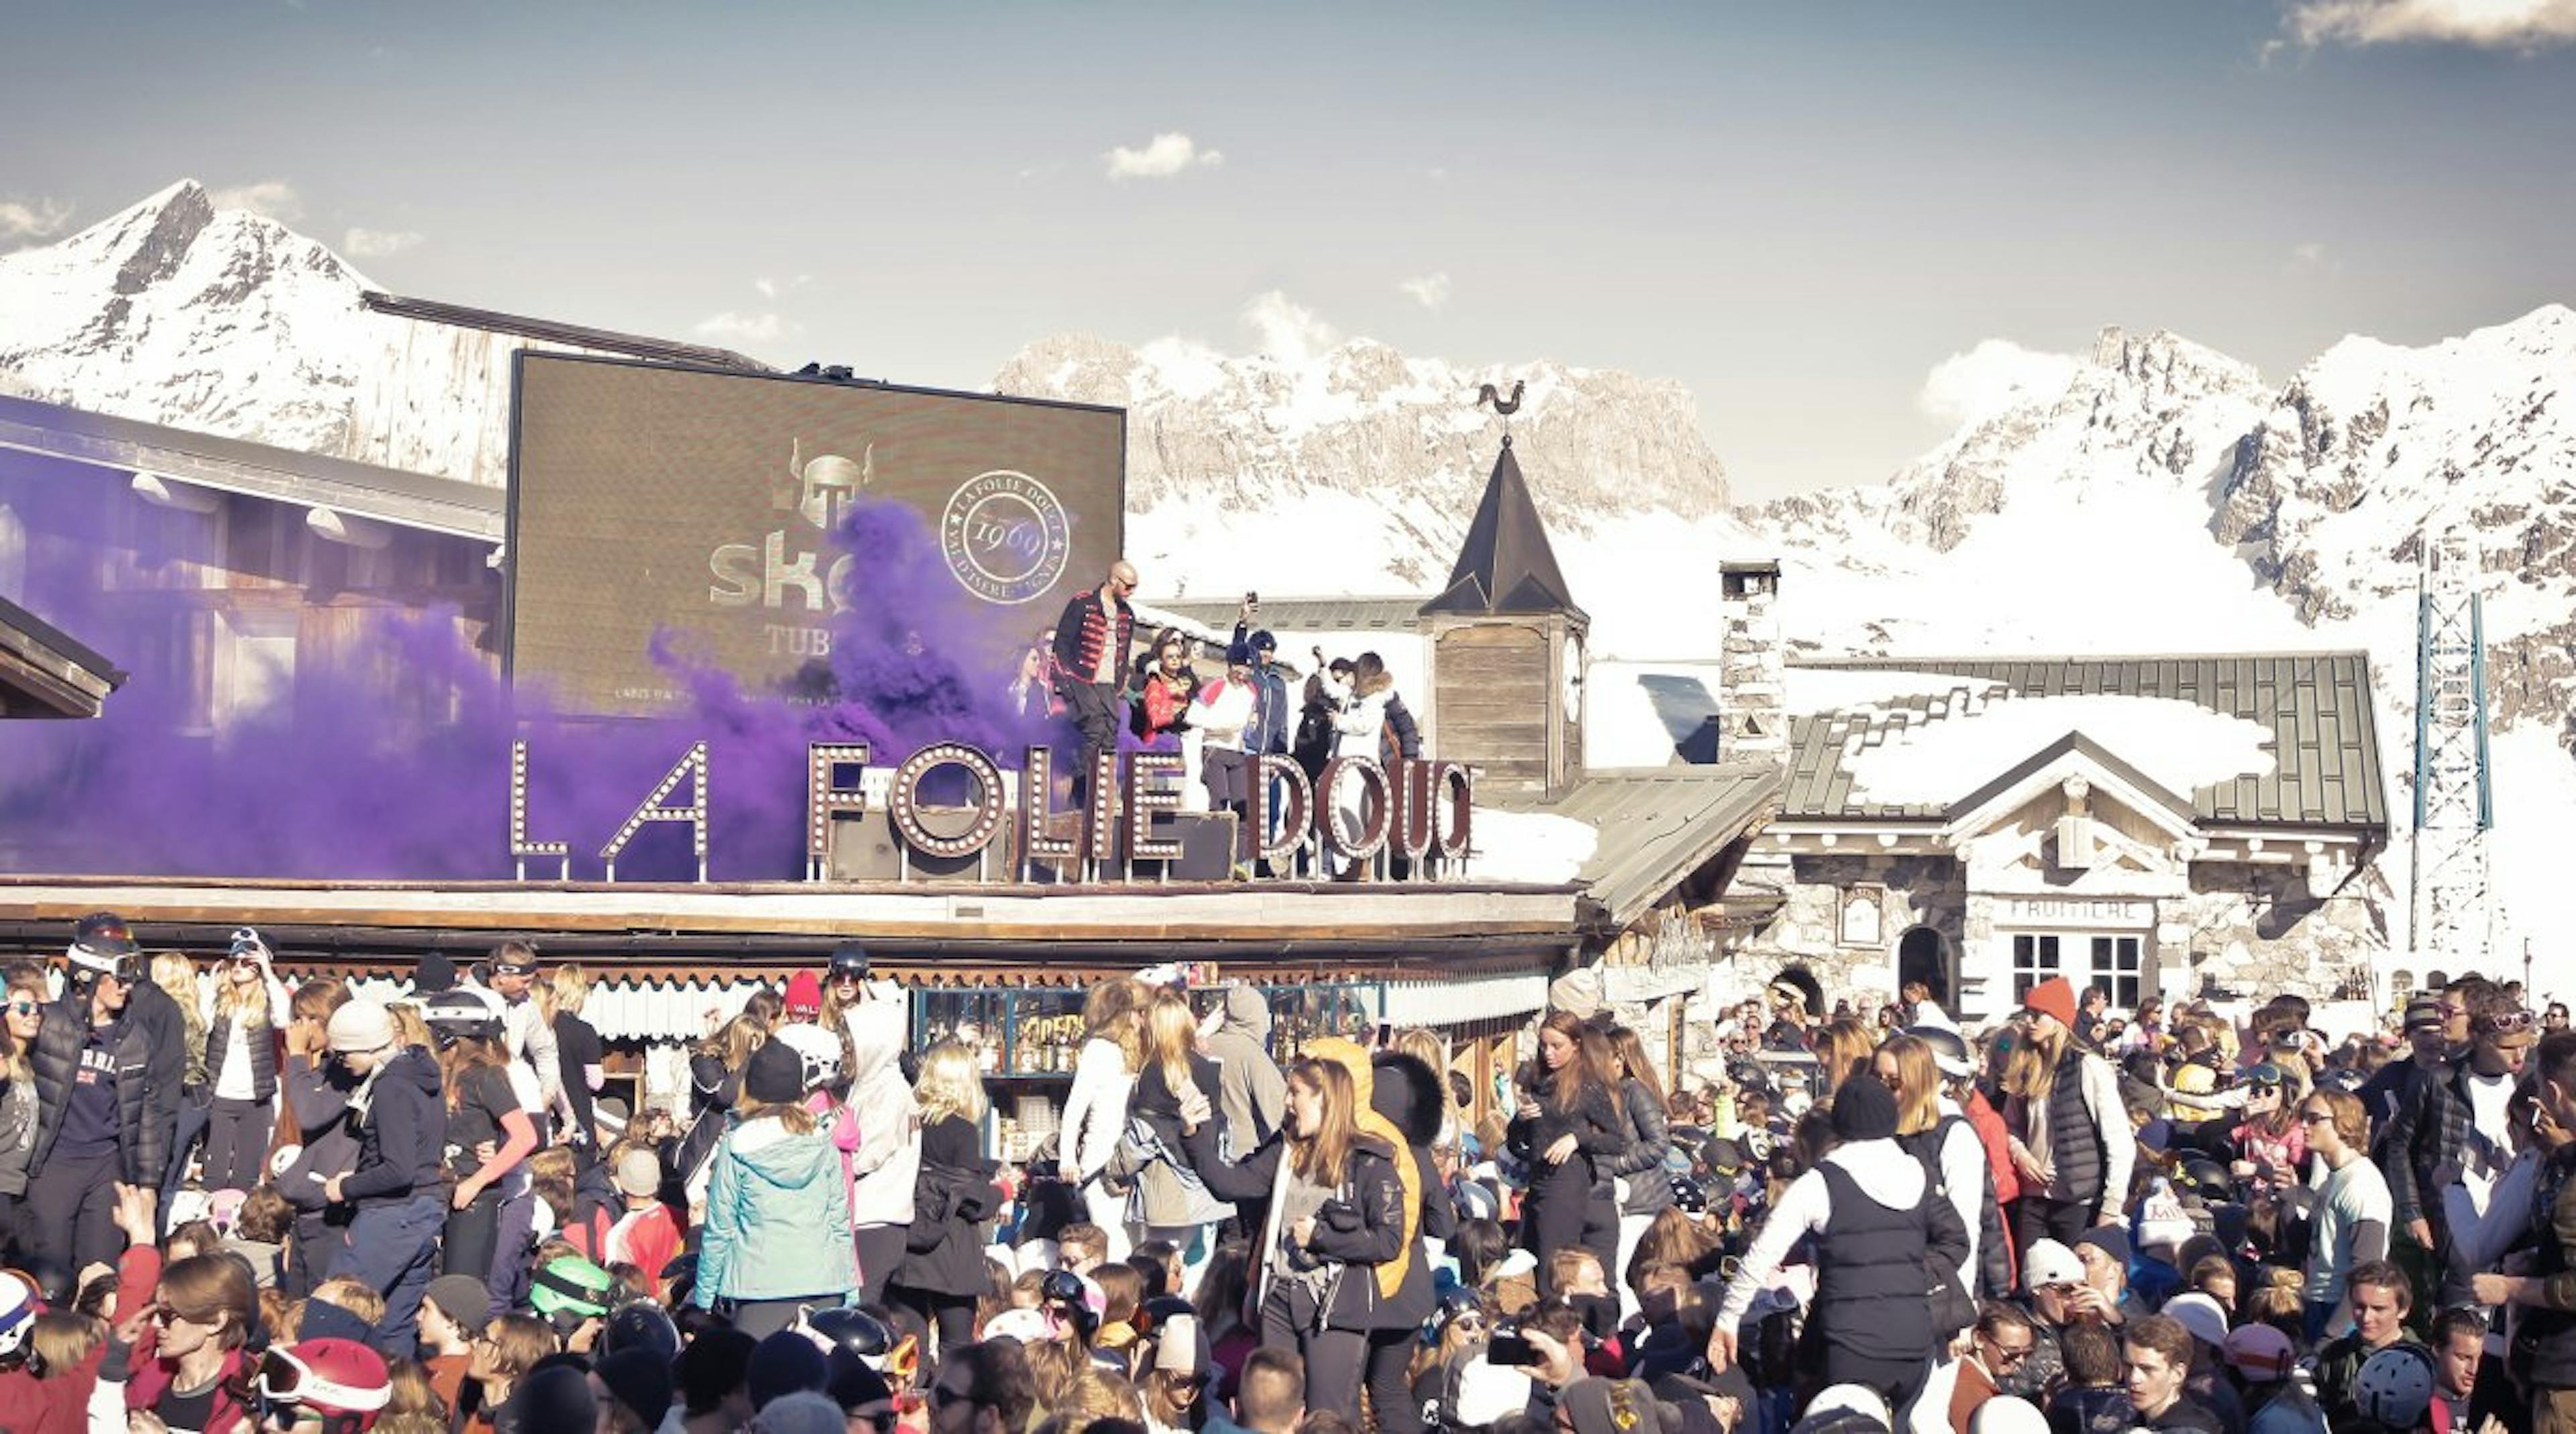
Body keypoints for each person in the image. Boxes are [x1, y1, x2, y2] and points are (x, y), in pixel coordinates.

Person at [1711, 1073, 1972, 1411]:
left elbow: (1761, 1255)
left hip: (1851, 1346)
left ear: (1841, 1123)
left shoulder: (1820, 1183)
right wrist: (1906, 1276)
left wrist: (1727, 1318)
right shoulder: (1918, 1171)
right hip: (1913, 1343)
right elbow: (1957, 1240)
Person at [1173, 1052, 1407, 1422]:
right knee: (1270, 1409)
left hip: (1334, 1306)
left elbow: (1389, 1241)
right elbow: (1230, 1184)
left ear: (1324, 1099)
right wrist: (1192, 1134)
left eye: (1294, 1092)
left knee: (1328, 1413)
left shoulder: (1369, 1162)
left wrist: (1322, 1238)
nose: (1287, 1102)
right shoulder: (1285, 1151)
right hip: (1280, 1295)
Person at [23, 913, 185, 1282]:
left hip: (107, 1169)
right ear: (89, 975)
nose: (127, 986)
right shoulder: (46, 1026)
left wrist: (148, 1187)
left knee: (100, 1278)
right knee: (50, 1278)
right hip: (52, 1166)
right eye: (119, 976)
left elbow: (146, 1117)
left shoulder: (135, 1039)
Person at [694, 1037, 859, 1338]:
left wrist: (704, 1297)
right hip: (824, 1283)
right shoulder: (823, 1143)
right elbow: (839, 1221)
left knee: (762, 1378)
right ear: (800, 1089)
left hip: (757, 1285)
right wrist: (849, 1286)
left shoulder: (737, 1145)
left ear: (751, 1089)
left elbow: (721, 1226)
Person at [2386, 985, 2532, 1308]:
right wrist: (2413, 1213)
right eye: (2508, 1047)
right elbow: (2400, 1147)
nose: (2519, 1056)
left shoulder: (2531, 1081)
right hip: (2458, 1218)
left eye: (2525, 1046)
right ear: (2480, 1039)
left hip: (2518, 1219)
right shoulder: (2440, 1080)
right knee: (2461, 1317)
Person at [319, 997, 449, 1352]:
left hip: (393, 1215)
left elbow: (398, 1169)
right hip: (425, 1210)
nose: (342, 1063)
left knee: (334, 1307)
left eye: (345, 1054)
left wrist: (345, 1186)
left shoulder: (391, 1086)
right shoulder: (422, 1076)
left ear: (370, 1047)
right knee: (395, 1327)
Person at [2000, 977, 2134, 1253]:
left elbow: (2119, 1141)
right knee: (2031, 1283)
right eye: (2028, 1014)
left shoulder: (2088, 1067)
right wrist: (2021, 1155)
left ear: (2058, 1020)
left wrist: (2111, 1206)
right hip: (2034, 1198)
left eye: (2039, 1015)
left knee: (2073, 1285)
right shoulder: (2026, 1068)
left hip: (2079, 1200)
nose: (2030, 1021)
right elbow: (2009, 1126)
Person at [892, 1040, 1006, 1354]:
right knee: (957, 1347)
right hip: (952, 1249)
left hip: (909, 1244)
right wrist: (1001, 1192)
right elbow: (969, 1199)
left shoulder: (907, 1123)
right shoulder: (963, 1130)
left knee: (910, 1347)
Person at [1509, 1012, 1627, 1291]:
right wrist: (1520, 1120)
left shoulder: (1587, 1085)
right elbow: (1517, 1143)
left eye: (1556, 1046)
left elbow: (1617, 1140)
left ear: (1576, 1045)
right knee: (1530, 1260)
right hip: (1537, 1181)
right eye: (1543, 1046)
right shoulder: (1539, 1081)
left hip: (1567, 1183)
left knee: (1554, 1268)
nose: (1548, 1053)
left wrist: (1577, 1138)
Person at [1129, 987, 1232, 1294]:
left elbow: (1142, 1136)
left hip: (1165, 1181)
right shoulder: (1208, 1068)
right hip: (1202, 1176)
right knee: (1194, 1260)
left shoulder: (1152, 1072)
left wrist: (1115, 1169)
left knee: (1157, 1263)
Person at [832, 946, 921, 1303]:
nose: (848, 1051)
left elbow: (866, 1155)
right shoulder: (867, 1085)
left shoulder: (890, 1090)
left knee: (860, 1309)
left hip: (877, 1219)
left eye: (854, 1043)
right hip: (866, 1216)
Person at [93, 1247, 258, 1431]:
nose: (156, 1324)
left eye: (168, 1316)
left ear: (216, 1322)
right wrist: (114, 1360)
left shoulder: (253, 1393)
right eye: (156, 1314)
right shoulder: (148, 1379)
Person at [198, 926, 291, 1195]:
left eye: (246, 962)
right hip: (220, 1096)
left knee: (247, 1173)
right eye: (233, 961)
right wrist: (211, 985)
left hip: (256, 1099)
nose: (237, 966)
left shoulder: (269, 1000)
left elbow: (283, 1019)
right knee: (214, 1173)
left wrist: (269, 972)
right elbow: (201, 1026)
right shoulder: (220, 999)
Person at [1061, 979, 1146, 1263]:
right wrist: (1067, 1159)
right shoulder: (1101, 1050)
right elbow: (1075, 1108)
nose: (1142, 1017)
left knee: (1124, 1247)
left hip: (1123, 1161)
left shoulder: (1124, 1052)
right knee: (1119, 1247)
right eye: (1138, 1011)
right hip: (1106, 1163)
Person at [2299, 1087, 2391, 1341]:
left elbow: (2367, 1267)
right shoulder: (2333, 1179)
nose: (2305, 1126)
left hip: (2342, 1311)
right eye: (2303, 1118)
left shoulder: (2360, 1183)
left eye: (2315, 1119)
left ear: (2344, 1123)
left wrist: (2333, 1334)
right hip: (2318, 1302)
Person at [1053, 560, 1146, 793]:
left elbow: (1123, 651)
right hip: (1080, 677)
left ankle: (1097, 791)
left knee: (1110, 733)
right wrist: (1064, 680)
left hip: (1107, 683)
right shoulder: (1083, 603)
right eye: (1128, 586)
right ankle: (1077, 783)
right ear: (1114, 580)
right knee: (1094, 727)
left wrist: (1121, 679)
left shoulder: (1127, 613)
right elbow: (1062, 642)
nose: (1131, 592)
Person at [1605, 1026, 1673, 1321]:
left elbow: (1658, 1144)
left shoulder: (1634, 1091)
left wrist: (1617, 1164)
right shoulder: (1615, 1093)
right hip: (1628, 1198)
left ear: (1620, 1059)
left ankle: (1631, 1331)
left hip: (1640, 1199)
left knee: (1616, 1273)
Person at [2314, 1261, 2419, 1427]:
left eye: (2379, 1309)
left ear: (2403, 1310)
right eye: (2360, 1307)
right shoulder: (2334, 1357)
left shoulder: (2423, 1364)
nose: (2366, 1318)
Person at [1203, 987, 1287, 1159]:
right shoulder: (1252, 1055)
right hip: (1243, 1155)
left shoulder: (1203, 1047)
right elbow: (1279, 1112)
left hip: (1205, 1151)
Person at [0, 966, 44, 1259]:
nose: (33, 1015)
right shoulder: (3, 1066)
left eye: (38, 1009)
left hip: (19, 1186)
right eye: (24, 1008)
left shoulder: (30, 1064)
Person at [545, 963, 606, 1159]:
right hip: (578, 1118)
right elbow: (595, 1082)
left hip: (547, 1115)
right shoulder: (584, 1031)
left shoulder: (542, 1028)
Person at [2122, 1314, 2220, 1431]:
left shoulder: (2194, 1429)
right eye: (2128, 1366)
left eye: (2147, 1369)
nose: (2134, 1378)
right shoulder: (2125, 1419)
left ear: (2178, 1374)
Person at [1951, 1303, 2035, 1434]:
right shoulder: (1968, 1393)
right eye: (2012, 1352)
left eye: (2027, 1353)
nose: (2021, 1361)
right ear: (1979, 1339)